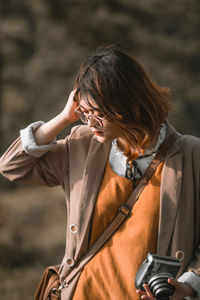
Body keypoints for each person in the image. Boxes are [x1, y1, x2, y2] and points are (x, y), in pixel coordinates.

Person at [0, 45, 200, 300]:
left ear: (128, 105)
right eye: (85, 113)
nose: (90, 122)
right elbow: (12, 165)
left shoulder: (192, 156)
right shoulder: (83, 145)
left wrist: (187, 286)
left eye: (99, 113)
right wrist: (63, 118)